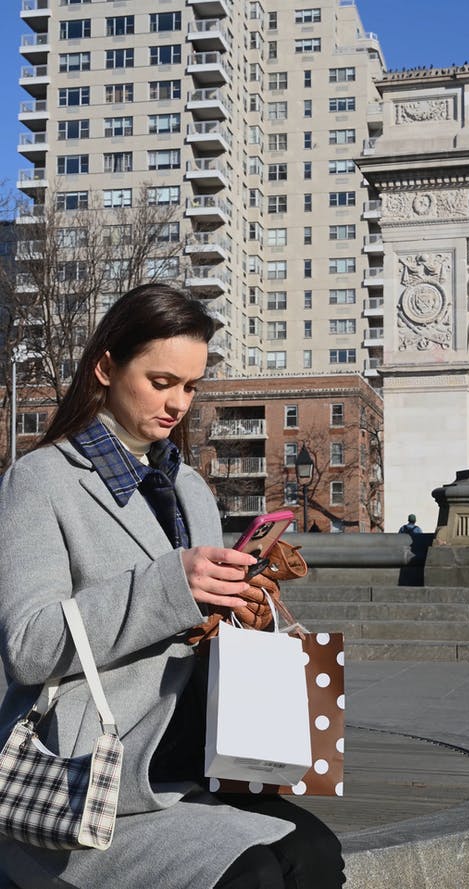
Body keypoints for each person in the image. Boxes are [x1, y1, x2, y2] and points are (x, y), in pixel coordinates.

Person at [0, 284, 345, 889]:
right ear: (106, 367)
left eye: (190, 386)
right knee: (254, 874)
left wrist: (243, 611)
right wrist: (169, 585)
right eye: (161, 382)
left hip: (200, 750)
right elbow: (28, 645)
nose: (177, 403)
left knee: (317, 854)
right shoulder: (39, 481)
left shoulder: (188, 487)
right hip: (93, 769)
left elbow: (192, 623)